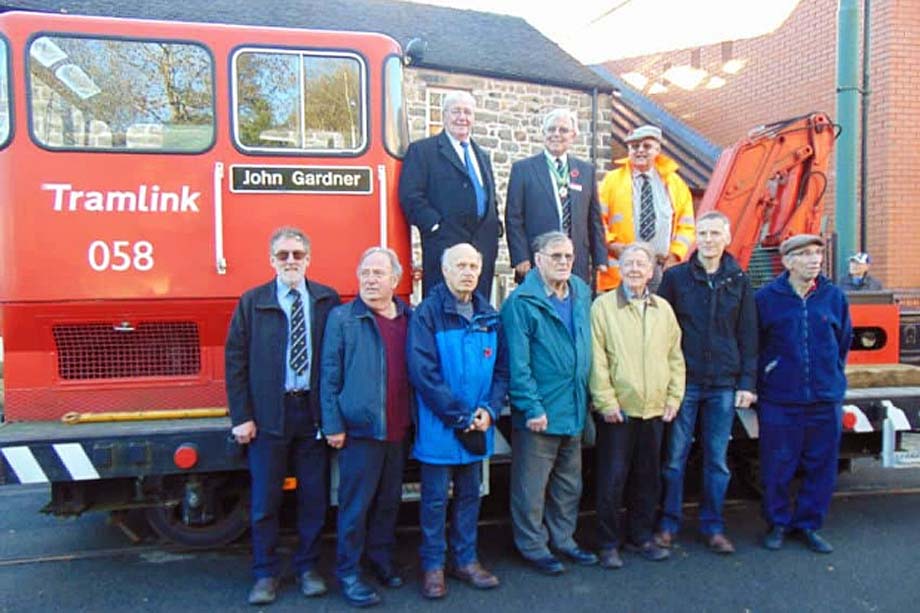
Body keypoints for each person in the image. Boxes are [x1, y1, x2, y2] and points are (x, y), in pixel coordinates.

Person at [225, 227, 340, 606]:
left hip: (311, 413)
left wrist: (333, 415)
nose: (290, 261)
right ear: (271, 260)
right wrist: (241, 416)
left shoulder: (326, 300)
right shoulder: (252, 302)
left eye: (297, 254)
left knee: (313, 497)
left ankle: (308, 569)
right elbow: (236, 361)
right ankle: (265, 574)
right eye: (283, 255)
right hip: (268, 416)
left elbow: (336, 359)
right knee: (265, 502)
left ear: (308, 259)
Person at [407, 243, 508, 599]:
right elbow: (424, 373)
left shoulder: (489, 314)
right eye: (460, 265)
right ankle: (433, 567)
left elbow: (501, 371)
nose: (467, 272)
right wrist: (460, 416)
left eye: (473, 266)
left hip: (477, 426)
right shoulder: (427, 314)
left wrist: (490, 411)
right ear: (444, 270)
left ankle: (465, 561)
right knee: (434, 501)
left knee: (470, 497)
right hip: (441, 427)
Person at [654, 211, 758, 554]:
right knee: (674, 458)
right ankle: (668, 524)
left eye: (716, 233)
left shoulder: (738, 280)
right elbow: (661, 333)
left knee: (717, 460)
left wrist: (747, 382)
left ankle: (713, 526)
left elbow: (748, 334)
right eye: (704, 233)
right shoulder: (675, 278)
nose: (709, 239)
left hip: (723, 385)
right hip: (685, 382)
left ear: (727, 237)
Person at [500, 230, 598, 575]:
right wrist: (531, 407)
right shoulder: (521, 304)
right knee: (531, 487)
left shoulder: (582, 292)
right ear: (537, 260)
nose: (563, 263)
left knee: (569, 484)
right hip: (541, 412)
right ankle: (533, 546)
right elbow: (518, 363)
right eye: (555, 256)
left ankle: (564, 540)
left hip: (573, 406)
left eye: (568, 256)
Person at [320, 247, 413, 607]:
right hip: (360, 432)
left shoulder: (409, 317)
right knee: (355, 507)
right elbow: (329, 376)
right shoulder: (343, 319)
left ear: (395, 280)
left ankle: (380, 560)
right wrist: (332, 424)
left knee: (389, 503)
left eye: (378, 274)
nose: (371, 280)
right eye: (366, 274)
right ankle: (349, 572)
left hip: (398, 429)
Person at [589, 242, 685, 569]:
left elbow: (675, 357)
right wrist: (605, 401)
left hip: (655, 409)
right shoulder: (603, 307)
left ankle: (641, 536)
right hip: (618, 410)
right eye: (628, 263)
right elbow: (596, 359)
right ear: (620, 267)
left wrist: (673, 398)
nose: (634, 269)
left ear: (652, 271)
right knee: (612, 479)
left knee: (648, 478)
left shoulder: (663, 309)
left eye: (641, 264)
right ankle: (607, 543)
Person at [756, 234, 852, 554]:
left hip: (824, 398)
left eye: (817, 253)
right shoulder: (767, 298)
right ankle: (778, 523)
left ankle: (809, 524)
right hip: (781, 399)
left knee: (821, 466)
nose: (814, 260)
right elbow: (755, 345)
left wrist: (831, 376)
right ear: (787, 261)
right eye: (805, 254)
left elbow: (843, 343)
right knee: (777, 466)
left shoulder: (834, 297)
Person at [399, 91, 499, 299]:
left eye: (467, 112)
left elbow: (489, 197)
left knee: (478, 313)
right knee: (443, 311)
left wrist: (495, 226)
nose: (462, 117)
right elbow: (410, 196)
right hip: (444, 246)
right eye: (456, 111)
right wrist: (435, 226)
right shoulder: (423, 151)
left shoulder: (482, 155)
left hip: (482, 249)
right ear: (444, 115)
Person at [505, 108, 607, 285]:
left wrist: (600, 259)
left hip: (576, 262)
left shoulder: (585, 171)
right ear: (543, 133)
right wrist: (520, 257)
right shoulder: (523, 169)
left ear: (573, 135)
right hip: (537, 260)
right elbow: (513, 218)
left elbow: (594, 219)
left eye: (563, 130)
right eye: (551, 129)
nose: (556, 134)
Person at [596, 125, 695, 292]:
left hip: (661, 268)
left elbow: (687, 225)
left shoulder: (675, 183)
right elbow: (597, 221)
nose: (640, 150)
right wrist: (612, 245)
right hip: (623, 268)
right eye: (635, 146)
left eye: (647, 146)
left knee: (657, 315)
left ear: (658, 149)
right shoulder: (611, 181)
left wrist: (674, 255)